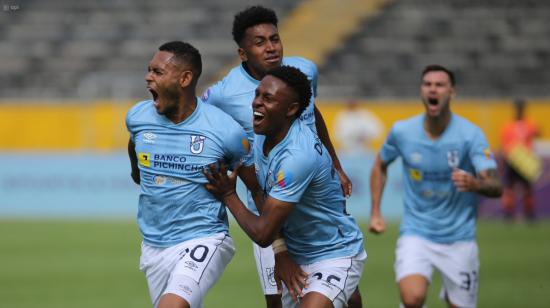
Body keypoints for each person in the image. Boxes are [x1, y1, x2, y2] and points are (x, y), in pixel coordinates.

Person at [200, 6, 361, 308]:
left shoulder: (304, 72)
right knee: (278, 301)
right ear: (242, 53)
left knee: (349, 297)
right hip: (269, 211)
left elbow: (314, 114)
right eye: (259, 42)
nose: (271, 47)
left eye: (274, 38)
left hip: (316, 207)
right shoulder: (222, 95)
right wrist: (280, 250)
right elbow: (205, 129)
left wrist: (336, 166)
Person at [126, 41, 259, 308]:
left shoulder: (225, 131)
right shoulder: (138, 117)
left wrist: (280, 249)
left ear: (185, 78)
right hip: (154, 245)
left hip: (204, 237)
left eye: (158, 72)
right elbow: (135, 149)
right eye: (148, 70)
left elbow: (257, 188)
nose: (148, 77)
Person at [368, 64, 503, 308]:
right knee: (412, 298)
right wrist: (376, 211)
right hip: (416, 232)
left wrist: (475, 183)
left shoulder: (470, 135)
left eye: (440, 85)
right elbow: (380, 165)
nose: (433, 89)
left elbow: (496, 185)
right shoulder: (403, 131)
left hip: (460, 238)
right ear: (421, 91)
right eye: (427, 84)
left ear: (452, 92)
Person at [500, 98, 541, 220]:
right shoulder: (508, 126)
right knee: (509, 187)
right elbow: (505, 145)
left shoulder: (530, 125)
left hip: (525, 161)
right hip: (512, 160)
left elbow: (537, 136)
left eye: (521, 108)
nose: (519, 111)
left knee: (527, 188)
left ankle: (529, 213)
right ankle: (508, 213)